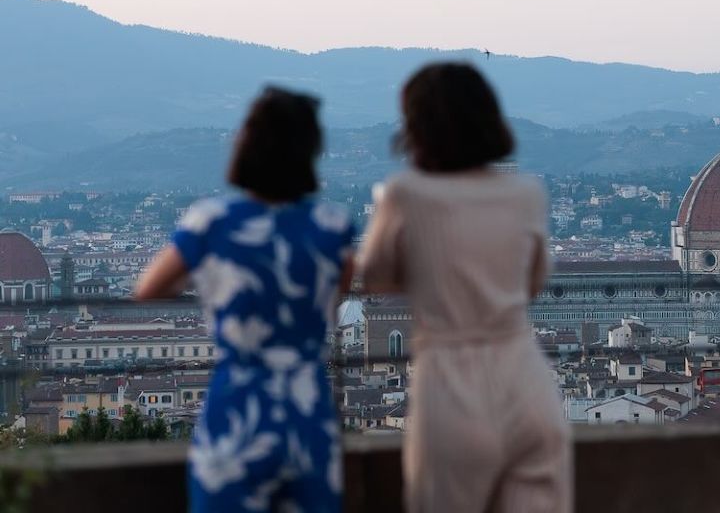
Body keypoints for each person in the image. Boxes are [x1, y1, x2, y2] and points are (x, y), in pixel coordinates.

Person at [356, 62, 572, 513]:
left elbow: (375, 276)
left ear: (417, 129)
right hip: (527, 381)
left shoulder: (406, 194)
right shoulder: (527, 194)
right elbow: (532, 283)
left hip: (452, 385)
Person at [136, 86, 355, 513]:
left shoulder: (212, 221)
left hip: (238, 402)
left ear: (246, 146)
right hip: (308, 410)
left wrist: (211, 284)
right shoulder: (333, 225)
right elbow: (336, 294)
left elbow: (149, 289)